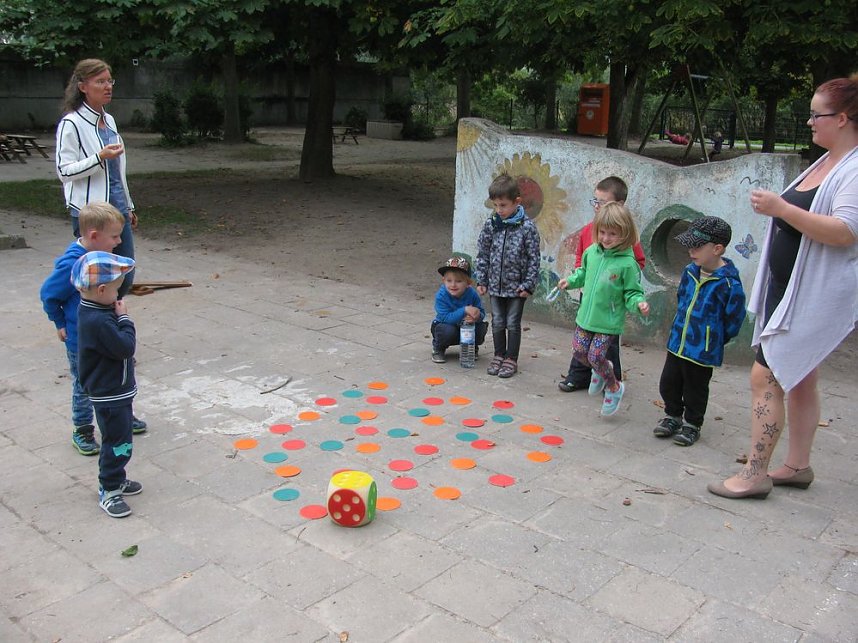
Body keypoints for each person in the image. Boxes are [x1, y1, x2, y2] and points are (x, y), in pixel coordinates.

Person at [708, 75, 858, 500]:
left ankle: (755, 474)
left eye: (816, 114)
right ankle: (797, 465)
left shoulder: (854, 168)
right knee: (801, 377)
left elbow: (847, 230)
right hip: (788, 288)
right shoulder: (826, 161)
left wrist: (781, 208)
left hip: (811, 295)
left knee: (766, 375)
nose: (809, 121)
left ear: (842, 118)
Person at [40, 202, 148, 456]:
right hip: (82, 339)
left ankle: (121, 415)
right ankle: (83, 428)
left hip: (106, 330)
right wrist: (60, 323)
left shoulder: (101, 256)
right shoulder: (71, 264)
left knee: (120, 373)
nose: (119, 241)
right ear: (94, 236)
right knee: (84, 383)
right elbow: (48, 295)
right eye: (114, 236)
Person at [653, 216, 747, 446]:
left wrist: (713, 339)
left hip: (703, 349)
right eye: (689, 245)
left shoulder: (728, 284)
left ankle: (692, 424)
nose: (690, 251)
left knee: (695, 388)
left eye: (696, 246)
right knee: (668, 382)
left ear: (717, 249)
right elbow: (682, 297)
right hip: (678, 342)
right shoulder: (690, 271)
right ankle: (672, 416)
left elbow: (734, 318)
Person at [557, 203, 650, 416]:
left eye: (613, 234)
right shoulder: (591, 253)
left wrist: (639, 303)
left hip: (608, 322)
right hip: (585, 317)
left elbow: (632, 293)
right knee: (580, 351)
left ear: (625, 234)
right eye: (602, 233)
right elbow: (582, 273)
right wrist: (569, 281)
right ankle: (599, 369)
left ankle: (614, 388)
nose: (606, 238)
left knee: (596, 355)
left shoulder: (627, 264)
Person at [56, 58, 137, 299]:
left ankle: (112, 321)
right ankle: (91, 322)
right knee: (96, 277)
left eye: (109, 81)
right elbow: (64, 171)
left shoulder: (109, 121)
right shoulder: (71, 123)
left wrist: (129, 205)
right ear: (83, 86)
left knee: (125, 273)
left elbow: (117, 170)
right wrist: (98, 157)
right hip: (92, 214)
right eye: (100, 81)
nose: (107, 86)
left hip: (117, 210)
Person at [72, 251, 142, 518]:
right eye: (116, 288)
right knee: (117, 441)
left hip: (113, 389)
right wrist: (125, 319)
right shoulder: (100, 320)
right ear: (101, 290)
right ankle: (109, 489)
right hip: (110, 394)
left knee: (119, 439)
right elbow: (125, 347)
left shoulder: (94, 307)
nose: (119, 294)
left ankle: (117, 478)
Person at [474, 174, 541, 378]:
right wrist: (482, 279)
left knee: (512, 322)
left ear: (516, 202)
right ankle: (498, 355)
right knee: (497, 322)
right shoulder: (491, 225)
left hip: (517, 287)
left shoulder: (527, 228)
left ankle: (511, 358)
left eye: (503, 205)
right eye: (495, 205)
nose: (499, 210)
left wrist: (528, 284)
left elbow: (533, 259)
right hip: (495, 285)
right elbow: (483, 253)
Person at [431, 256, 488, 363]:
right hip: (446, 325)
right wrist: (465, 310)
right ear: (444, 281)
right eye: (449, 281)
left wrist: (477, 316)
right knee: (447, 331)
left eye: (458, 281)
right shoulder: (441, 295)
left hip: (466, 328)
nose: (453, 285)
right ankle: (439, 347)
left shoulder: (472, 294)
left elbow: (481, 313)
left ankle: (472, 346)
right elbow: (445, 317)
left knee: (480, 328)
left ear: (468, 283)